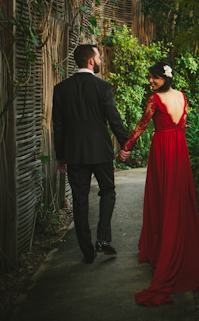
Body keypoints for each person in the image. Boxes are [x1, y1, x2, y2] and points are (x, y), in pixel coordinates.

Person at [117, 61, 199, 307]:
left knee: (161, 198)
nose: (151, 81)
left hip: (164, 150)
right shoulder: (182, 96)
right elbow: (183, 124)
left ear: (163, 78)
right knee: (176, 199)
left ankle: (163, 251)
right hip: (179, 150)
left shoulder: (155, 99)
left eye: (153, 77)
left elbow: (142, 125)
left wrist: (125, 148)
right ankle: (175, 246)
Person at [52, 44, 131, 264]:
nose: (100, 61)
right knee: (108, 192)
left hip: (75, 155)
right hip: (101, 152)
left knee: (79, 200)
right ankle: (103, 239)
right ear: (90, 61)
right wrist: (126, 144)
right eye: (99, 57)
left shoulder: (61, 89)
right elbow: (114, 119)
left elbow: (57, 126)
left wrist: (60, 156)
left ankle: (87, 251)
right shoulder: (103, 87)